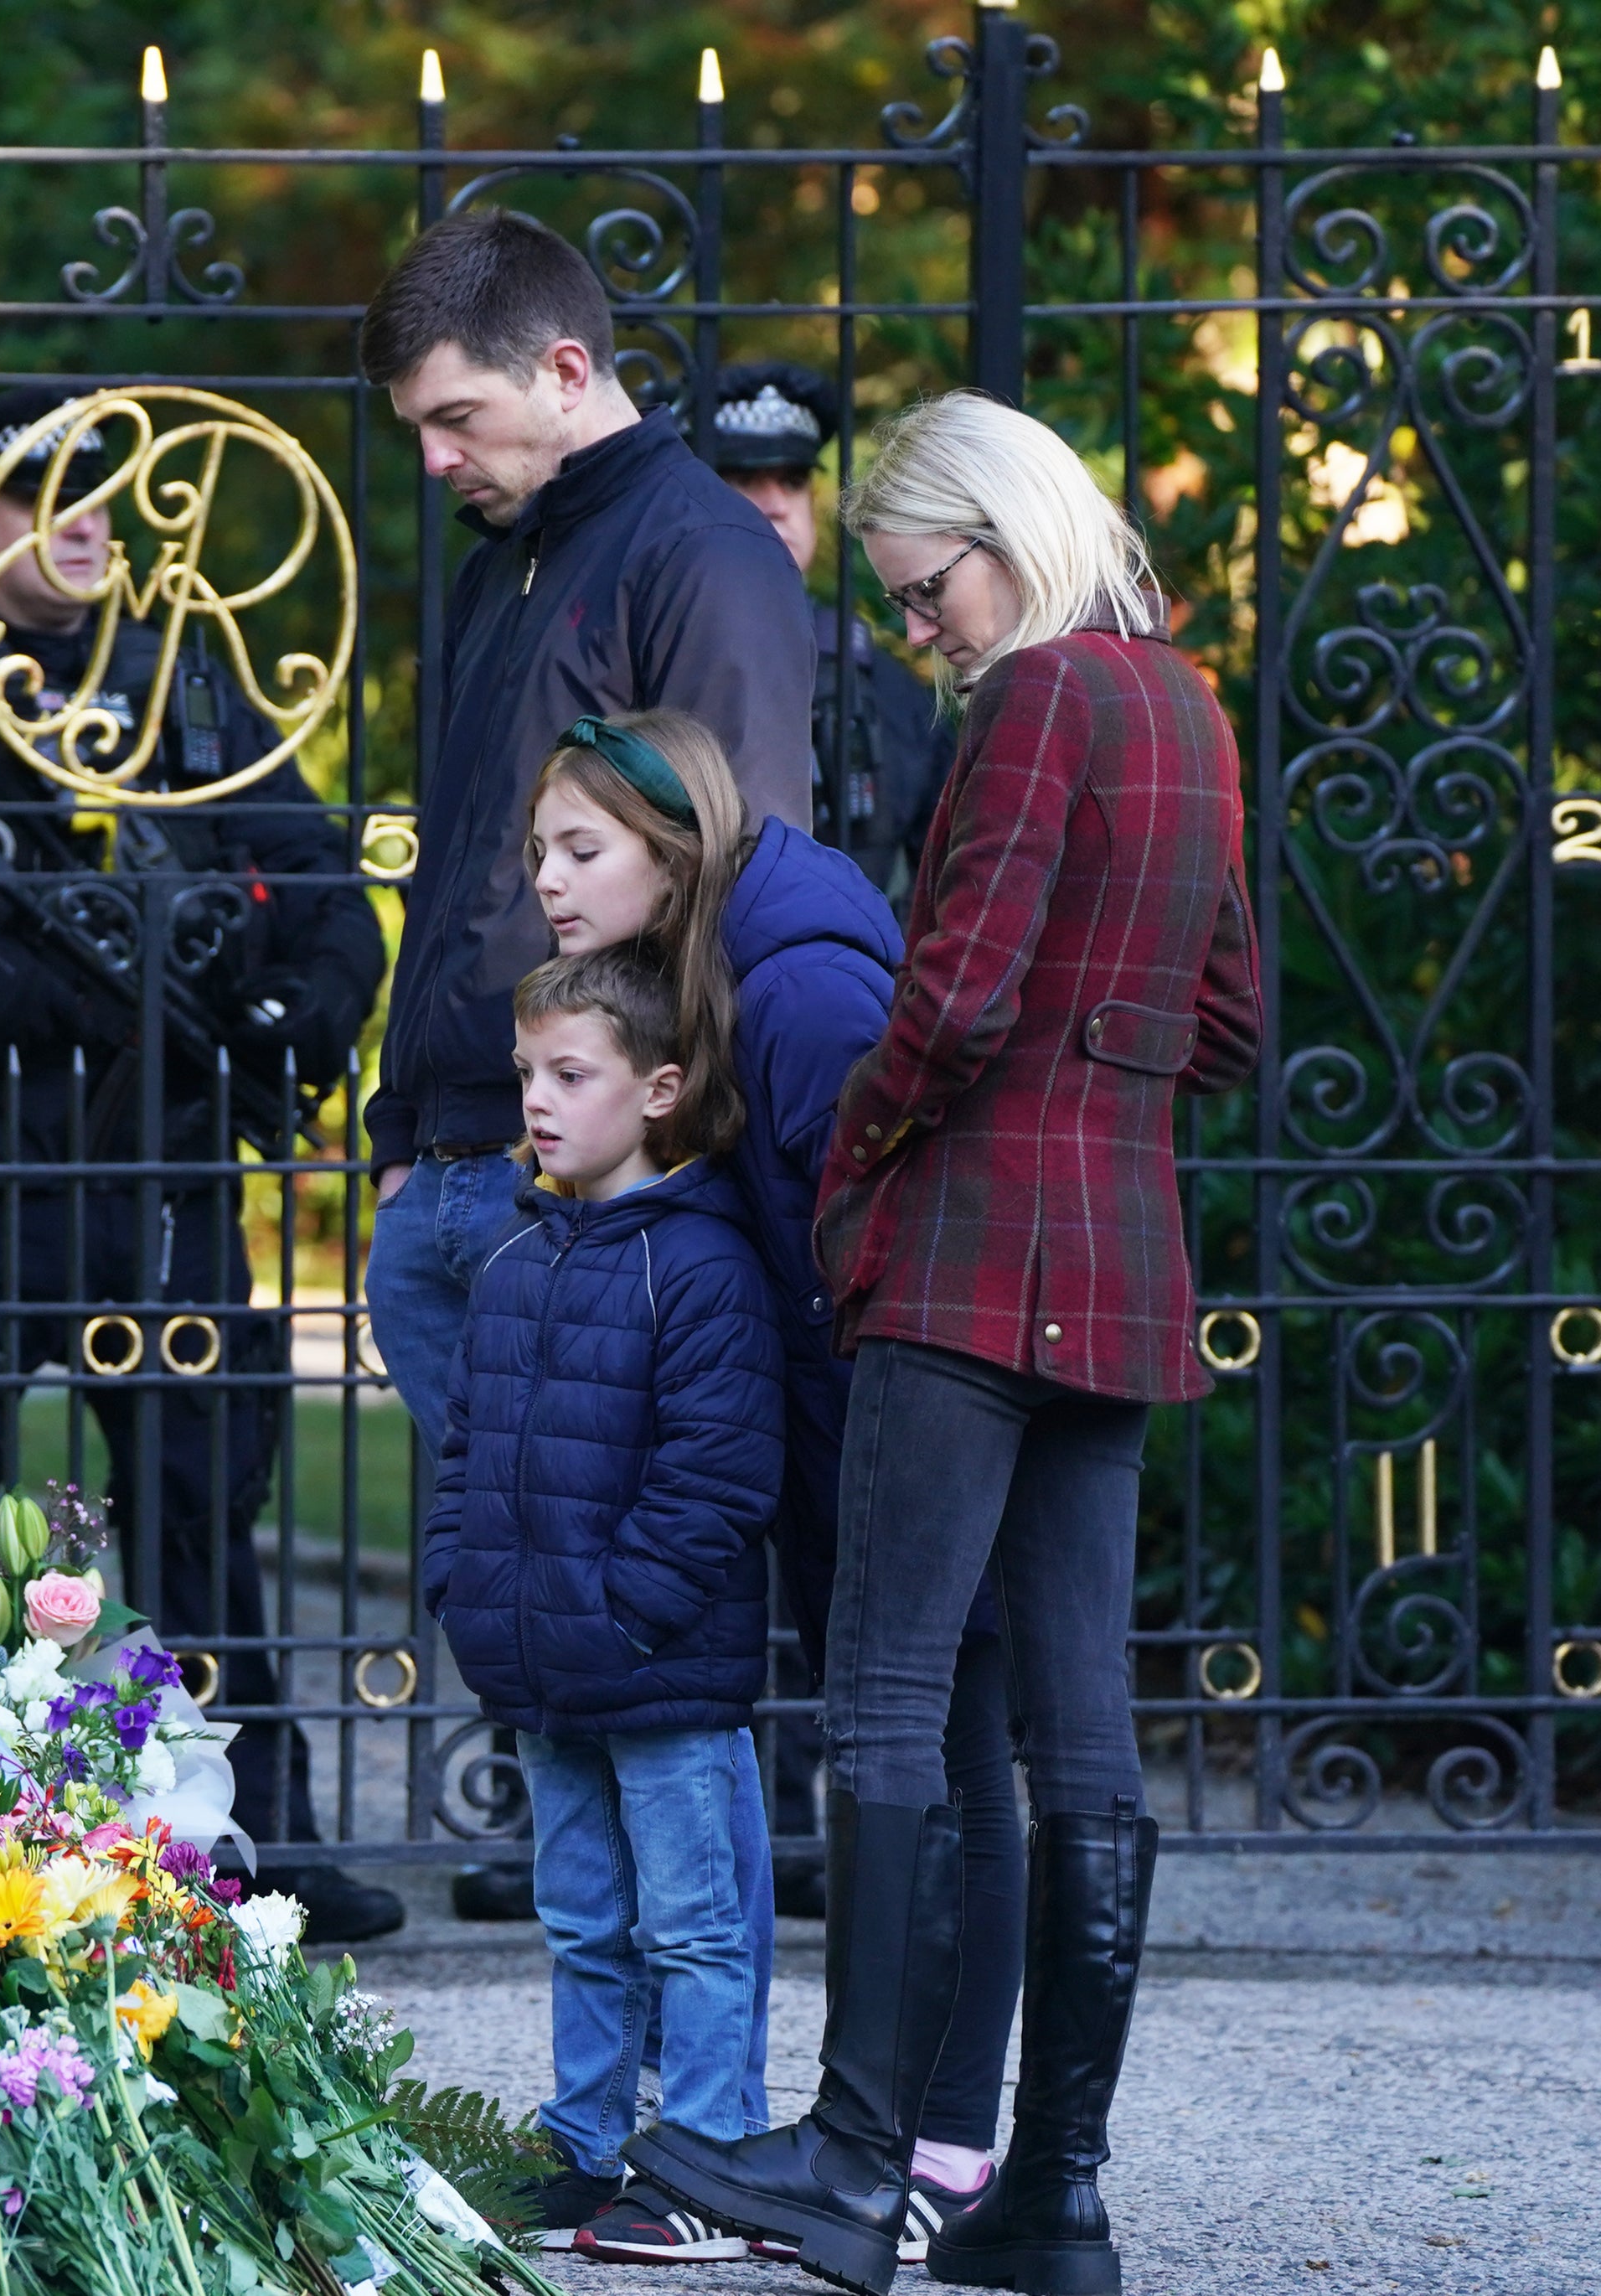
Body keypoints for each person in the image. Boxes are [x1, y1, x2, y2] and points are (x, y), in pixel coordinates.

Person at [625, 392, 1261, 2296]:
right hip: (1121, 1259)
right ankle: (1049, 2198)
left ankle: (845, 2160)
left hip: (970, 1255)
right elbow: (1224, 1021)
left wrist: (861, 1164)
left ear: (1000, 532)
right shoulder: (1183, 704)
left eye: (923, 594)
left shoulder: (1033, 699)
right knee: (1085, 1742)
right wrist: (1096, 1074)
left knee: (886, 1696)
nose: (923, 635)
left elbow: (957, 989)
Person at [0, 381, 402, 1945]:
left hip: (163, 1170)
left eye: (107, 491)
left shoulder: (188, 685)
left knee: (195, 1499)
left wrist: (293, 1021)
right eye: (47, 495)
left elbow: (318, 880)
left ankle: (258, 1831)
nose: (92, 519)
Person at [519, 706, 1024, 2268]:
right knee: (926, 1758)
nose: (547, 878)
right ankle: (897, 2136)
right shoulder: (717, 956)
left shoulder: (793, 987)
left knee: (952, 1761)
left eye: (580, 848)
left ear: (673, 852)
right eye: (540, 847)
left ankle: (945, 2144)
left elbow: (887, 1227)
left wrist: (879, 1458)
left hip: (901, 1421)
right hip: (842, 1426)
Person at [355, 209, 819, 1464]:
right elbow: (459, 871)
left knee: (601, 1609)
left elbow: (743, 882)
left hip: (590, 1180)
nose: (438, 459)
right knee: (517, 1600)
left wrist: (638, 1161)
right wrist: (403, 1149)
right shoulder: (501, 562)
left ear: (565, 371)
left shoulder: (702, 554)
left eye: (457, 419)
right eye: (421, 431)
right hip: (452, 1167)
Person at [421, 943, 780, 2263]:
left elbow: (719, 1475)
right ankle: (585, 2145)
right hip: (543, 1671)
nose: (539, 1100)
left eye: (572, 1074)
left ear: (663, 1088)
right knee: (582, 1921)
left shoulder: (695, 1264)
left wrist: (623, 1613)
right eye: (528, 1074)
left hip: (659, 1672)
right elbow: (464, 1455)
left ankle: (710, 2159)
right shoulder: (518, 1258)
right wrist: (464, 1594)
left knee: (694, 1927)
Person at [705, 363, 960, 906]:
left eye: (793, 480)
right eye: (744, 479)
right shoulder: (658, 653)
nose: (775, 503)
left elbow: (943, 880)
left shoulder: (886, 687)